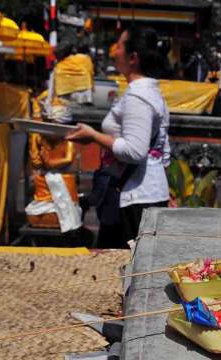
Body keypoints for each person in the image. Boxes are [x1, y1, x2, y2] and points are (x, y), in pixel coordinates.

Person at [66, 27, 171, 248]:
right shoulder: (151, 92)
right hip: (147, 192)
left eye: (120, 46)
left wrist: (93, 136)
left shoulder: (138, 97)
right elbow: (163, 150)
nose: (114, 51)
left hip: (135, 197)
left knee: (123, 268)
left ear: (133, 58)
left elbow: (134, 151)